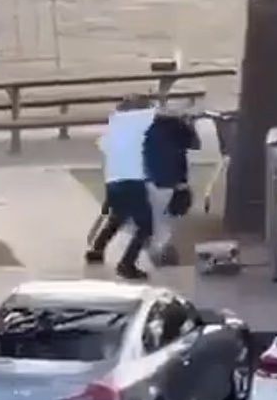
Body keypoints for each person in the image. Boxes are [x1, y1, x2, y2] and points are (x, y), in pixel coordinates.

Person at [84, 95, 156, 281]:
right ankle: (127, 264)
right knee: (145, 227)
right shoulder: (140, 129)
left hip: (114, 180)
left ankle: (97, 249)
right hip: (132, 181)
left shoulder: (115, 131)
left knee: (118, 216)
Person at [143, 108, 200, 266]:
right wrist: (190, 125)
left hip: (152, 180)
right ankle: (162, 252)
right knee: (166, 222)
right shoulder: (180, 127)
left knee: (157, 221)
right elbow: (195, 145)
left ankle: (156, 251)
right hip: (173, 182)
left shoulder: (145, 127)